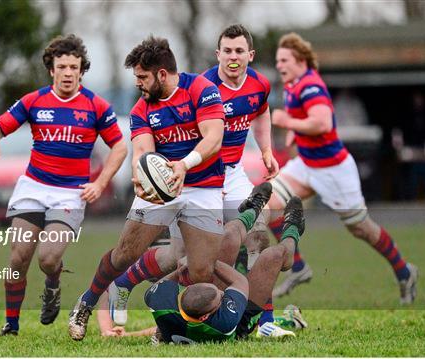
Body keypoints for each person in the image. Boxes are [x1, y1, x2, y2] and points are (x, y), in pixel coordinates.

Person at [108, 24, 281, 331]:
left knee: (257, 235)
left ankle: (263, 320)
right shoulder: (203, 86)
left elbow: (262, 111)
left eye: (239, 51)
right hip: (196, 177)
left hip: (232, 173)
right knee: (180, 256)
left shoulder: (259, 84)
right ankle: (124, 281)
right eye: (227, 50)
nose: (233, 56)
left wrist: (266, 150)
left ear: (250, 55)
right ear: (218, 54)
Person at [68, 35, 227, 341]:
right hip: (163, 186)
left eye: (142, 76)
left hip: (203, 187)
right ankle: (85, 304)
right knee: (125, 253)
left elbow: (214, 139)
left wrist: (184, 164)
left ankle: (168, 328)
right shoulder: (142, 108)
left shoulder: (201, 90)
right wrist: (140, 175)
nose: (138, 83)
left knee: (201, 273)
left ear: (162, 74)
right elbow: (142, 149)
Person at [0, 34, 127, 336]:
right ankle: (12, 324)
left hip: (70, 194)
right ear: (52, 69)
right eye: (62, 66)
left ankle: (53, 283)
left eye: (74, 67)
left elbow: (120, 147)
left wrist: (100, 183)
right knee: (19, 256)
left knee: (48, 258)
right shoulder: (34, 101)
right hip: (33, 188)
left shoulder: (96, 106)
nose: (68, 73)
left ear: (81, 70)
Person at [268, 33, 418, 304]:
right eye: (278, 60)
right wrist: (294, 133)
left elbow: (322, 123)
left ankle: (404, 270)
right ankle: (299, 268)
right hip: (307, 163)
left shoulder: (311, 86)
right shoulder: (292, 84)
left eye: (284, 60)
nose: (279, 65)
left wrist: (287, 122)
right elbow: (306, 123)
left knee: (361, 228)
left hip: (333, 170)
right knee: (270, 204)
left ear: (300, 60)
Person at [145, 193, 307, 343]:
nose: (222, 292)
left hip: (194, 312)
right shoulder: (224, 322)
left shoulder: (161, 303)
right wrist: (206, 260)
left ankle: (253, 209)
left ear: (184, 292)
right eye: (221, 297)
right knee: (274, 256)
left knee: (229, 236)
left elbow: (160, 287)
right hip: (241, 321)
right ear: (205, 317)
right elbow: (240, 282)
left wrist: (182, 270)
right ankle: (293, 231)